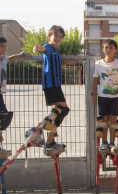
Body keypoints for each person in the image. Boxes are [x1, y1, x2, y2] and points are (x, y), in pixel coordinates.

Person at [32, 26, 75, 155]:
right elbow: (42, 49)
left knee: (59, 113)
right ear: (50, 35)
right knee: (64, 109)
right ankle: (36, 130)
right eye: (55, 36)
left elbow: (56, 65)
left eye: (60, 37)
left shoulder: (57, 50)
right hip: (50, 85)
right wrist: (36, 48)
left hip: (56, 85)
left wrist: (66, 64)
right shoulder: (49, 47)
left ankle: (50, 141)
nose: (58, 39)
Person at [92, 39, 118, 156]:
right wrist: (93, 95)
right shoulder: (98, 64)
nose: (108, 49)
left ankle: (112, 143)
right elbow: (95, 80)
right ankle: (104, 142)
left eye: (111, 47)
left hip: (116, 96)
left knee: (113, 120)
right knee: (104, 120)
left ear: (115, 50)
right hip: (103, 96)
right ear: (103, 49)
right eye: (106, 47)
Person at [0, 37, 32, 158]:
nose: (4, 48)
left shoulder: (3, 59)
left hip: (0, 93)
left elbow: (10, 58)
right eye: (1, 46)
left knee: (4, 116)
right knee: (3, 114)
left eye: (5, 46)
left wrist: (21, 54)